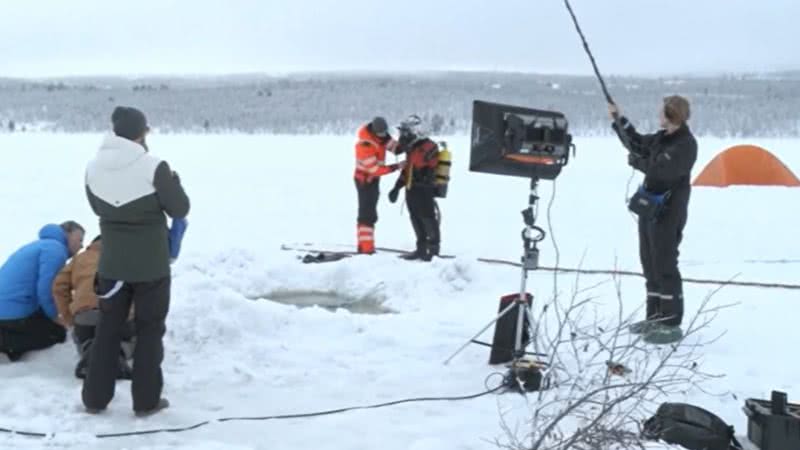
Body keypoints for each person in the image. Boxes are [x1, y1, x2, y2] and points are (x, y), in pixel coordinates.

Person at [82, 106, 190, 416]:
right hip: (151, 267)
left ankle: (94, 398)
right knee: (149, 331)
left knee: (107, 330)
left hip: (112, 266)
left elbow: (96, 206)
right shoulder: (154, 166)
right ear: (141, 133)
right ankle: (146, 400)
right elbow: (180, 208)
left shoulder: (92, 167)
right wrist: (175, 182)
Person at [609, 95, 697, 343]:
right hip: (650, 209)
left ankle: (670, 323)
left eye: (662, 111)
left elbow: (660, 171)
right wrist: (619, 120)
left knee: (665, 263)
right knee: (649, 262)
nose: (658, 114)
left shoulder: (685, 144)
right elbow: (636, 143)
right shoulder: (662, 138)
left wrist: (637, 162)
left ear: (671, 114)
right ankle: (654, 318)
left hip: (669, 212)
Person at [52, 235, 135, 379]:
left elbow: (59, 286)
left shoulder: (79, 258)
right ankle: (119, 352)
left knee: (82, 338)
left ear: (93, 244)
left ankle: (89, 348)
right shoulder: (128, 257)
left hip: (85, 316)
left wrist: (69, 318)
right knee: (134, 338)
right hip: (118, 315)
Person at [0, 221, 85, 361]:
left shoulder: (38, 245)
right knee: (55, 333)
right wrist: (56, 316)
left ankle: (9, 344)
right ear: (67, 234)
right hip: (12, 313)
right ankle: (6, 342)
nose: (81, 246)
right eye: (79, 239)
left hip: (7, 308)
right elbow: (47, 289)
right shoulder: (55, 250)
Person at [388, 116, 441, 262]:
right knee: (415, 218)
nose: (403, 136)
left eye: (405, 132)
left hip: (424, 189)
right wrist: (396, 188)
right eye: (402, 132)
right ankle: (421, 249)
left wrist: (423, 175)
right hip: (412, 188)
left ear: (415, 131)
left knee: (428, 219)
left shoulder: (428, 146)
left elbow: (422, 166)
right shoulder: (412, 148)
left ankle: (434, 251)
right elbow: (408, 170)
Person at [354, 117, 404, 254]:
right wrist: (397, 166)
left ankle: (365, 245)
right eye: (381, 133)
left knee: (371, 213)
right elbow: (375, 170)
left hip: (373, 179)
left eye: (385, 133)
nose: (384, 136)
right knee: (367, 214)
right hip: (365, 181)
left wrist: (406, 139)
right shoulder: (365, 145)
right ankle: (365, 248)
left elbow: (396, 148)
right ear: (375, 132)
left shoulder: (380, 137)